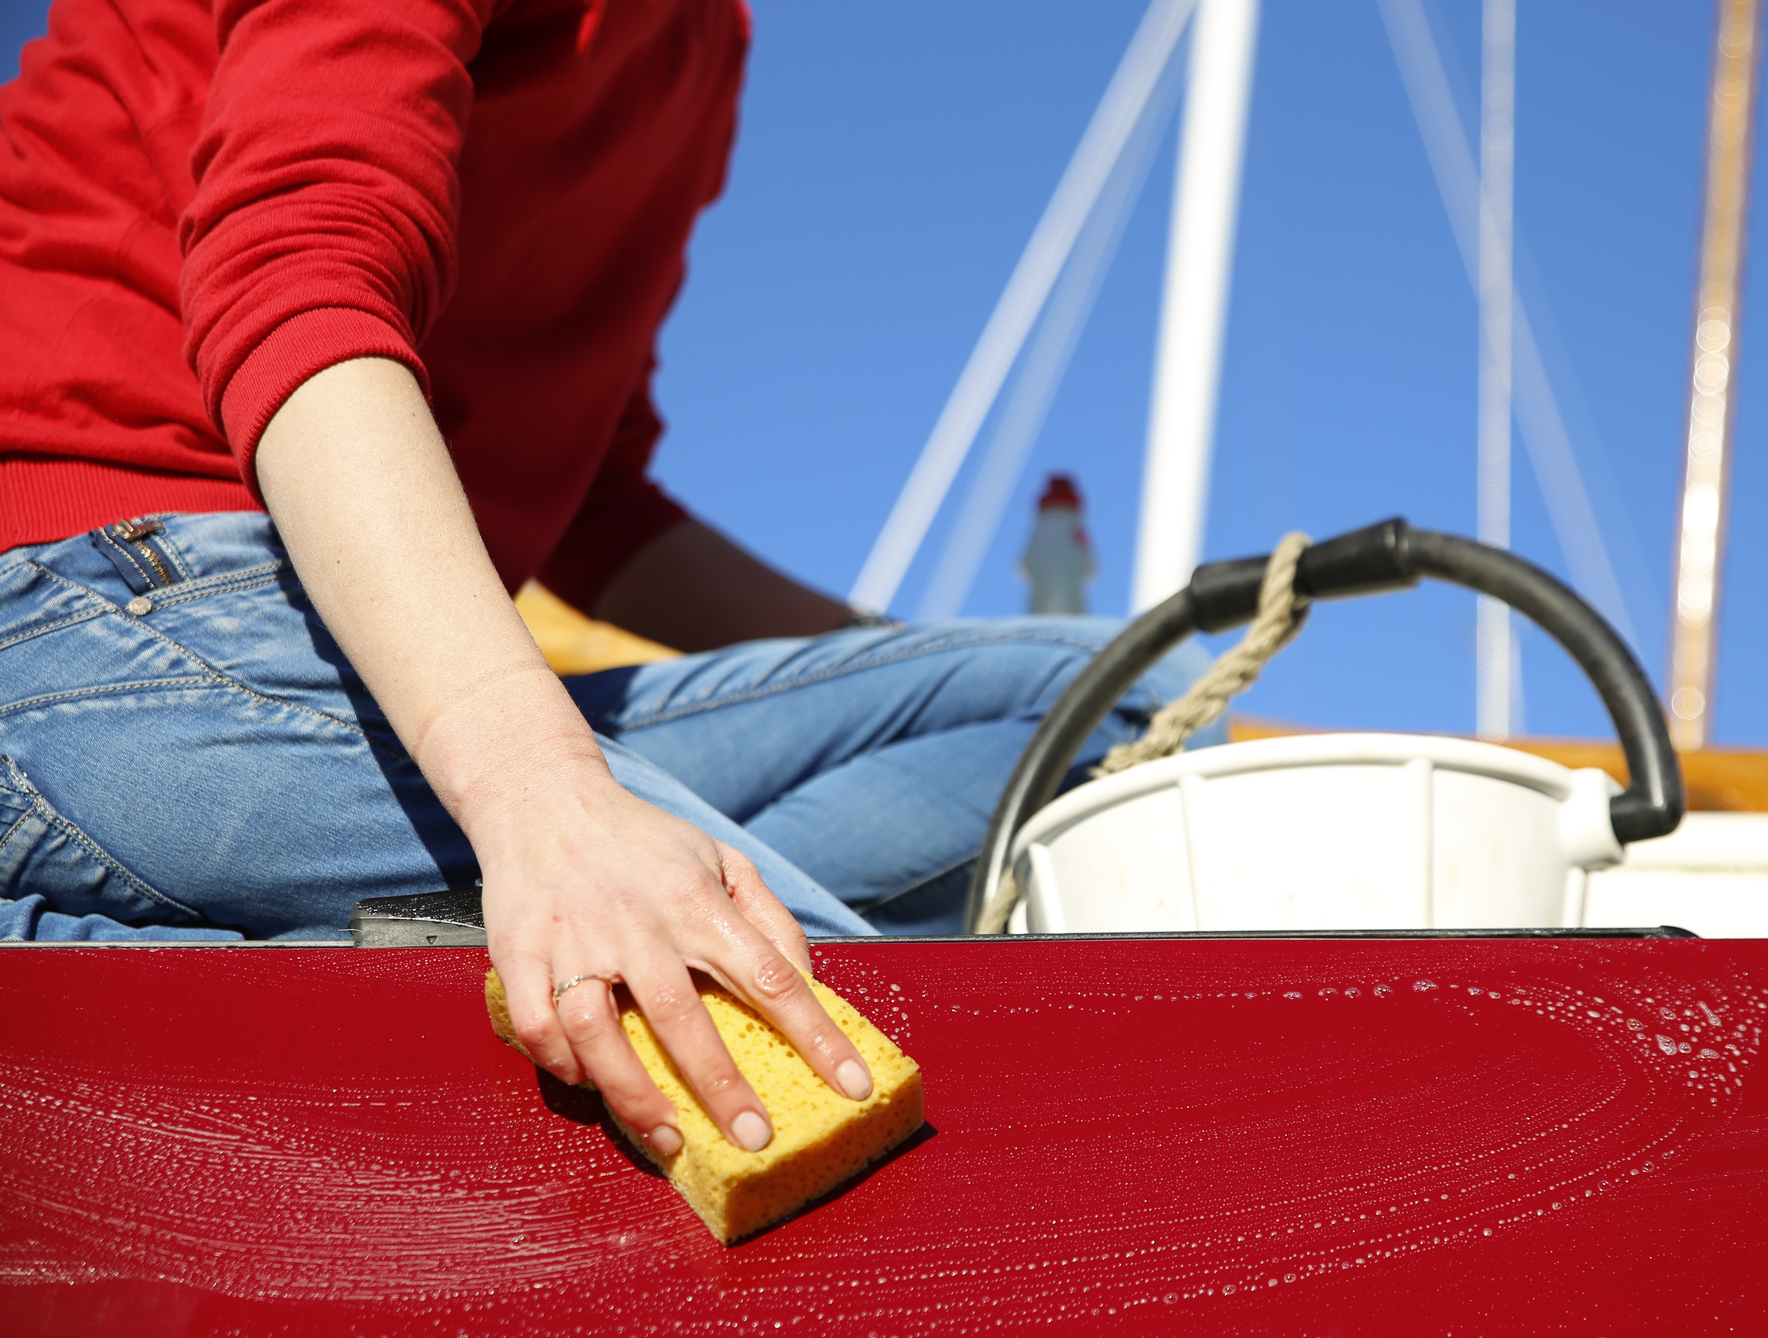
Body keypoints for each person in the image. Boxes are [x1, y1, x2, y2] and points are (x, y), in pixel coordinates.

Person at [0, 0, 1206, 1161]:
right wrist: (543, 796)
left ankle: (370, 944)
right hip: (97, 602)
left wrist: (861, 677)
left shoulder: (700, 43)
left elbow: (601, 505)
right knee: (866, 1070)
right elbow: (294, 271)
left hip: (360, 654)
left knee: (1105, 701)